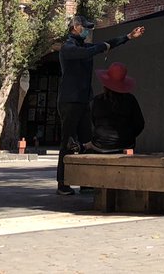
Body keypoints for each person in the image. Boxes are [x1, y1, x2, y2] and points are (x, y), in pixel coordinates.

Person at [56, 15, 145, 196]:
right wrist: (102, 47)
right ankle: (62, 182)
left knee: (86, 141)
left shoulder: (84, 46)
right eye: (86, 28)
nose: (88, 32)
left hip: (83, 99)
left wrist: (128, 37)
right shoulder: (68, 48)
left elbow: (107, 43)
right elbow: (89, 52)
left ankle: (86, 181)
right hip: (70, 100)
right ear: (76, 27)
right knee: (68, 141)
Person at [88, 62, 145, 153]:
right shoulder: (130, 100)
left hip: (100, 146)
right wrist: (128, 135)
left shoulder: (97, 100)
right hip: (125, 145)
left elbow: (94, 121)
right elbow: (140, 124)